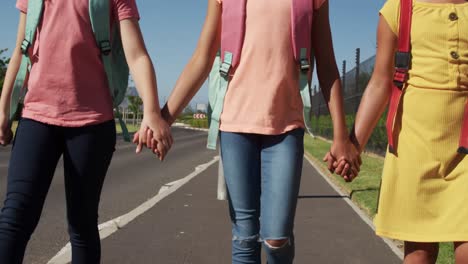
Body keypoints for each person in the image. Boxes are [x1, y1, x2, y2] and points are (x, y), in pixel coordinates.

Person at [154, 0, 361, 263]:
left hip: (286, 127)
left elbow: (328, 64)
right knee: (245, 235)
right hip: (234, 125)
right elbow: (202, 58)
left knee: (277, 239)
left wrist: (340, 136)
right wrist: (164, 118)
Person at [0, 0, 172, 263]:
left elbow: (136, 54)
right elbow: (21, 50)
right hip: (36, 115)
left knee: (81, 224)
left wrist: (151, 112)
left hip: (92, 123)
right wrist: (3, 109)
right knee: (15, 217)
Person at [327, 0, 468, 263]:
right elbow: (380, 81)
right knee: (419, 254)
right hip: (414, 146)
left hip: (465, 148)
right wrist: (352, 147)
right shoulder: (399, 9)